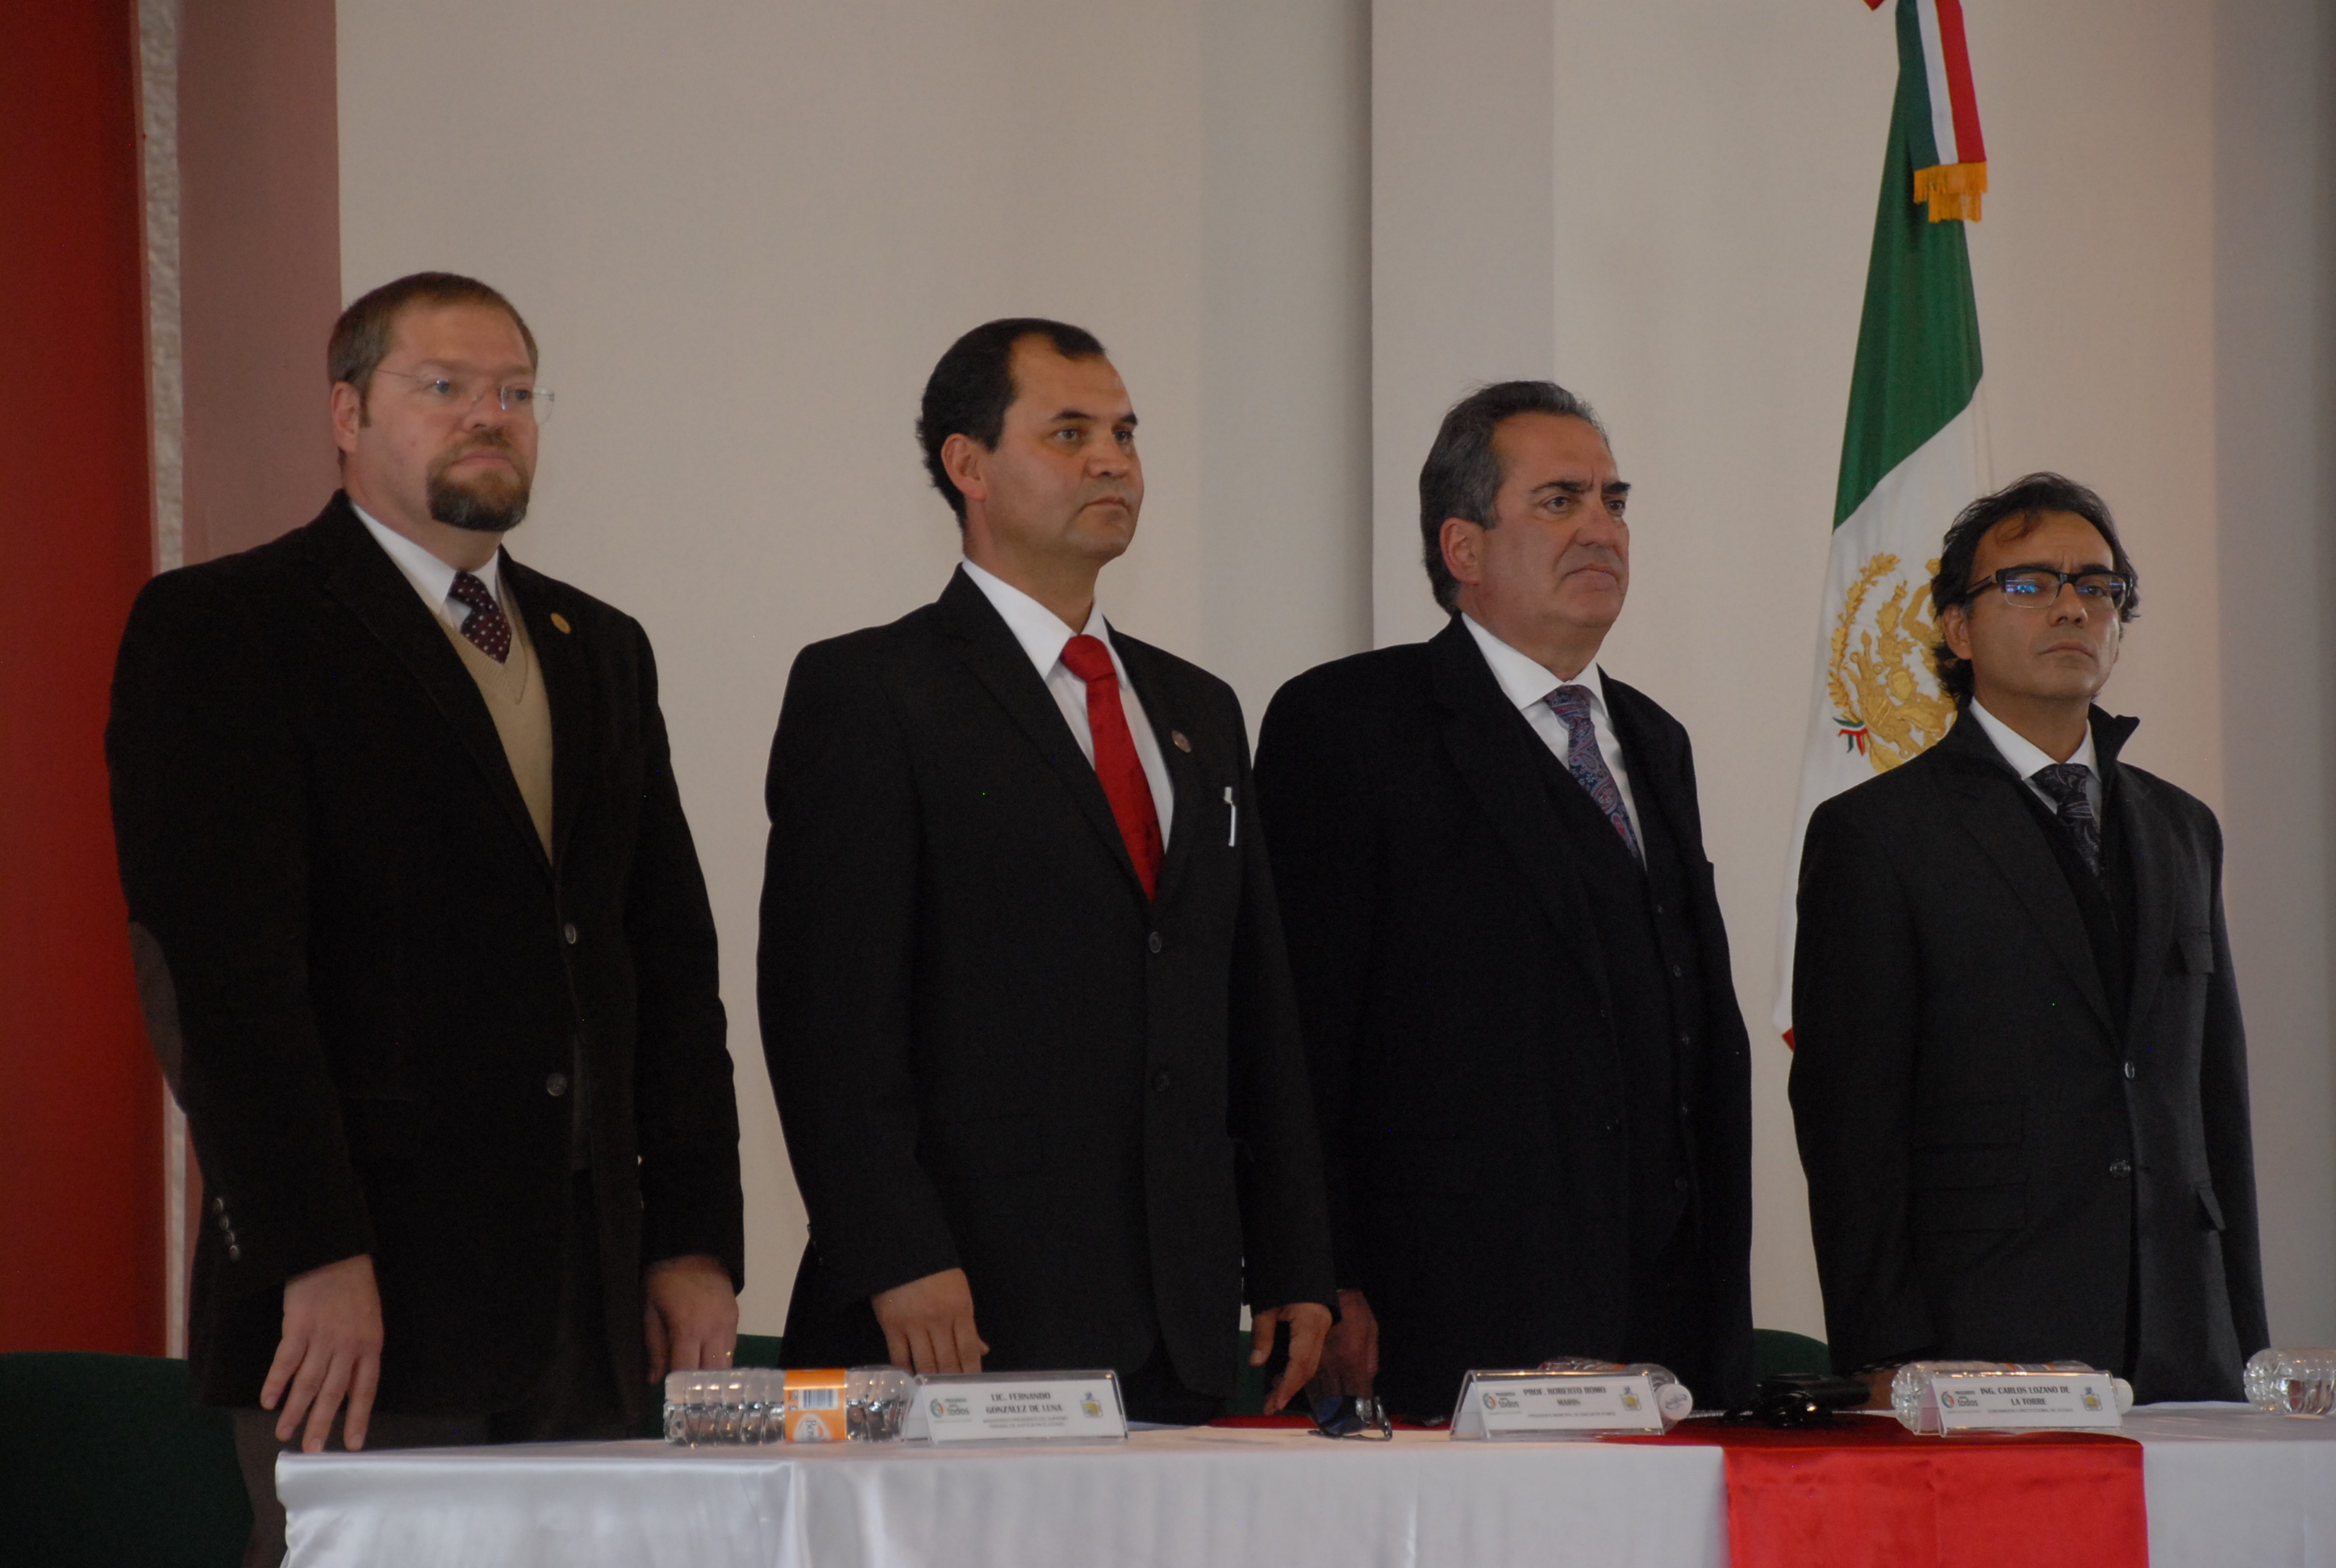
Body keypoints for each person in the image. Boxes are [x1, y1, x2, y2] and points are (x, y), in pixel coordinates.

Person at [106, 273, 744, 1564]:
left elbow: (666, 970)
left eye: (515, 392)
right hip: (359, 1305)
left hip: (586, 1305)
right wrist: (312, 1251)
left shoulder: (600, 645)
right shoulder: (229, 625)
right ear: (347, 414)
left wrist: (691, 1240)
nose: (488, 416)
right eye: (443, 387)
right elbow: (222, 986)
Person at [757, 318, 1334, 1422]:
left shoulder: (1198, 709)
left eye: (1125, 434)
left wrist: (1295, 1256)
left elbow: (1252, 1004)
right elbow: (829, 1017)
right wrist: (895, 1253)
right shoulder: (872, 691)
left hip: (1179, 1321)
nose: (1113, 461)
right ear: (967, 465)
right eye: (1070, 433)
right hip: (962, 1315)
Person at [1254, 381, 1755, 1420]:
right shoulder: (1348, 723)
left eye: (1614, 501)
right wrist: (1323, 1273)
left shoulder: (1654, 740)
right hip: (1446, 1303)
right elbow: (1295, 1035)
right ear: (1463, 547)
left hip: (1664, 1313)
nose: (1601, 529)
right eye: (1559, 500)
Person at [1790, 473, 2268, 1403]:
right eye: (2027, 583)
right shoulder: (1878, 835)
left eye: (2096, 586)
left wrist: (2246, 1343)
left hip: (2183, 1341)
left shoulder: (2182, 828)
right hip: (1983, 1335)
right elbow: (1852, 1127)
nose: (2070, 607)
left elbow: (2216, 1106)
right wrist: (1883, 1354)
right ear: (1956, 629)